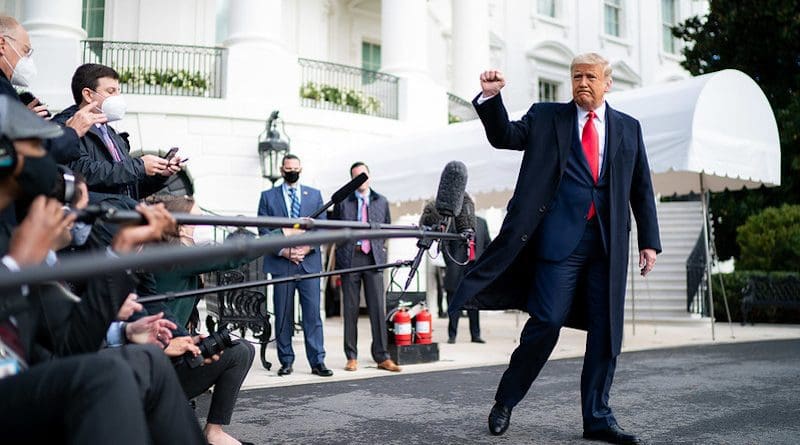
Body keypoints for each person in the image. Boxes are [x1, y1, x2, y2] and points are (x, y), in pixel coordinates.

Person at [448, 53, 661, 444]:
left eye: (590, 77)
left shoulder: (629, 128)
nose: (582, 82)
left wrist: (649, 241)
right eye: (577, 76)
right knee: (546, 322)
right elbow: (505, 136)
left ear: (607, 83)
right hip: (558, 242)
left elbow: (641, 187)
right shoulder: (547, 117)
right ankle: (505, 401)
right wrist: (491, 99)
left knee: (606, 333)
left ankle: (597, 417)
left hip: (607, 245)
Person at [52, 63, 183, 202]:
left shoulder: (110, 132)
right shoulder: (66, 127)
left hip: (120, 217)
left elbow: (127, 187)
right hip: (96, 218)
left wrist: (160, 174)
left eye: (118, 91)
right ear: (88, 95)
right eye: (111, 91)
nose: (117, 97)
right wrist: (139, 166)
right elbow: (85, 172)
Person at [257, 154, 332, 377]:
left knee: (312, 315)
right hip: (282, 264)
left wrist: (306, 248)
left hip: (309, 263)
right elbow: (263, 230)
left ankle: (317, 361)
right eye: (288, 168)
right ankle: (286, 360)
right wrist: (284, 251)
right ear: (282, 169)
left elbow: (323, 227)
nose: (292, 171)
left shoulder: (315, 195)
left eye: (295, 168)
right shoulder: (267, 197)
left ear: (301, 169)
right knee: (283, 315)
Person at [331, 162, 400, 372]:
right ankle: (351, 356)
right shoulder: (343, 202)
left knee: (378, 309)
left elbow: (386, 228)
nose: (361, 179)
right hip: (350, 258)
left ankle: (382, 356)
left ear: (369, 176)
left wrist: (380, 249)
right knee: (350, 310)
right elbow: (335, 230)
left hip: (374, 258)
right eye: (356, 176)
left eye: (363, 175)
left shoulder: (381, 201)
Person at [444, 204, 490, 344]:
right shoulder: (453, 222)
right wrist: (451, 263)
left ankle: (475, 335)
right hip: (457, 267)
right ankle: (452, 335)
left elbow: (488, 243)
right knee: (453, 301)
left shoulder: (482, 222)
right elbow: (444, 244)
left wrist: (484, 264)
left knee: (474, 302)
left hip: (474, 267)